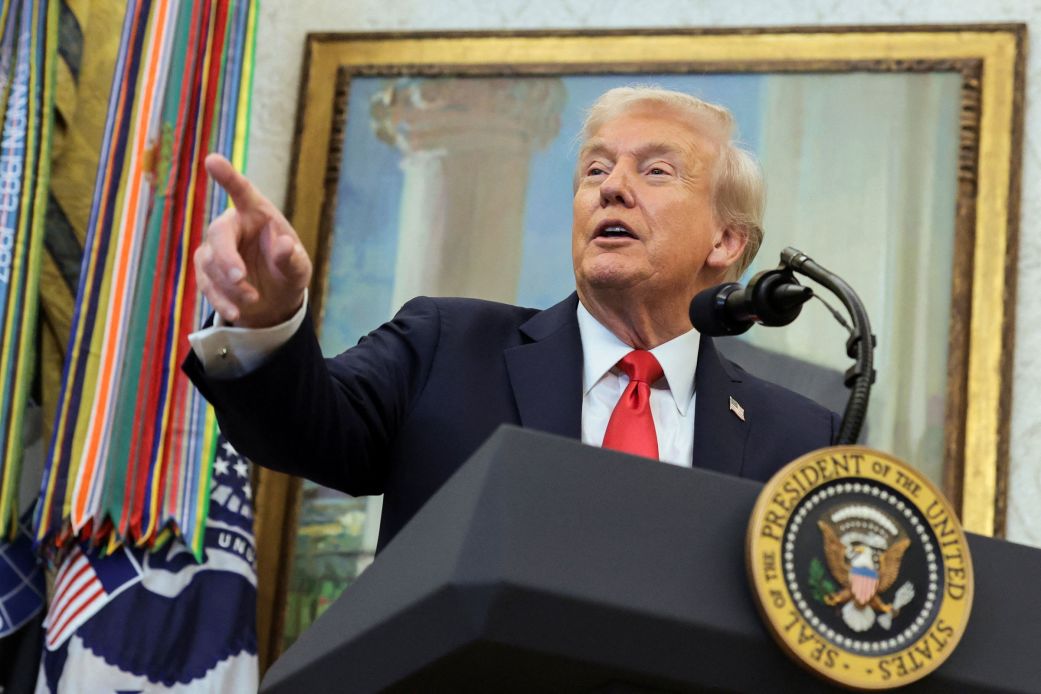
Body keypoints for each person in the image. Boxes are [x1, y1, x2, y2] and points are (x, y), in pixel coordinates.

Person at [184, 86, 838, 552]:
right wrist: (267, 320)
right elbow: (303, 431)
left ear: (724, 242)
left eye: (655, 170)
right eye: (595, 169)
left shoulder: (801, 438)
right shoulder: (445, 347)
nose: (610, 187)